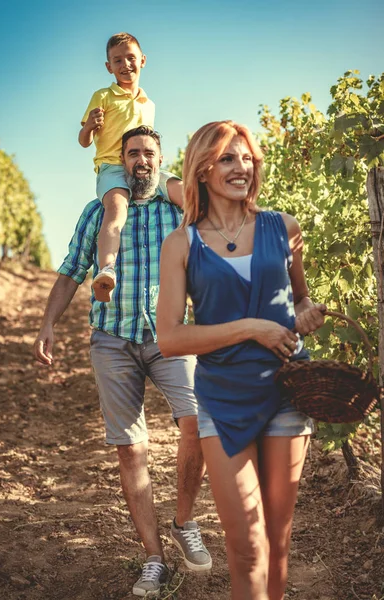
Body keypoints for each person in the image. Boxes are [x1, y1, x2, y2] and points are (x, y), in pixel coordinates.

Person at [34, 125, 212, 598]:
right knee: (131, 448)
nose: (141, 161)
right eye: (132, 153)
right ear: (122, 160)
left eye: (148, 153)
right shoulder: (99, 212)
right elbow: (72, 270)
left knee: (198, 422)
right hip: (112, 341)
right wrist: (47, 322)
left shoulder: (180, 210)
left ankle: (184, 520)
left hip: (170, 335)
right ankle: (153, 558)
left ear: (160, 159)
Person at [156, 120, 326, 600]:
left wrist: (306, 316)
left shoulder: (282, 227)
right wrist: (251, 328)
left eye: (247, 158)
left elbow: (300, 302)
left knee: (276, 538)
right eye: (229, 158)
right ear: (203, 169)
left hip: (287, 392)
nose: (242, 167)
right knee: (246, 545)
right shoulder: (181, 244)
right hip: (222, 399)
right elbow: (169, 338)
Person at [79, 32, 176, 303]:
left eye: (131, 58)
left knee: (181, 189)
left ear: (142, 60)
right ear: (109, 66)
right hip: (112, 167)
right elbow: (84, 141)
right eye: (117, 60)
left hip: (142, 167)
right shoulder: (103, 96)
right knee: (117, 211)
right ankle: (107, 269)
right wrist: (89, 127)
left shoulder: (149, 103)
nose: (125, 64)